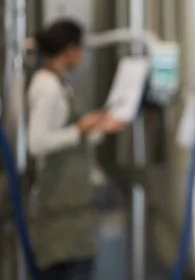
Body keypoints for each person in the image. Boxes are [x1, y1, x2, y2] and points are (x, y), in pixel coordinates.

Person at [27, 19, 124, 280]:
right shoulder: (47, 87)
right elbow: (36, 142)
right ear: (70, 49)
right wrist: (79, 130)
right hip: (60, 213)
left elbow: (69, 135)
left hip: (73, 211)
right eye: (80, 48)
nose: (81, 55)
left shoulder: (60, 84)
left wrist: (97, 128)